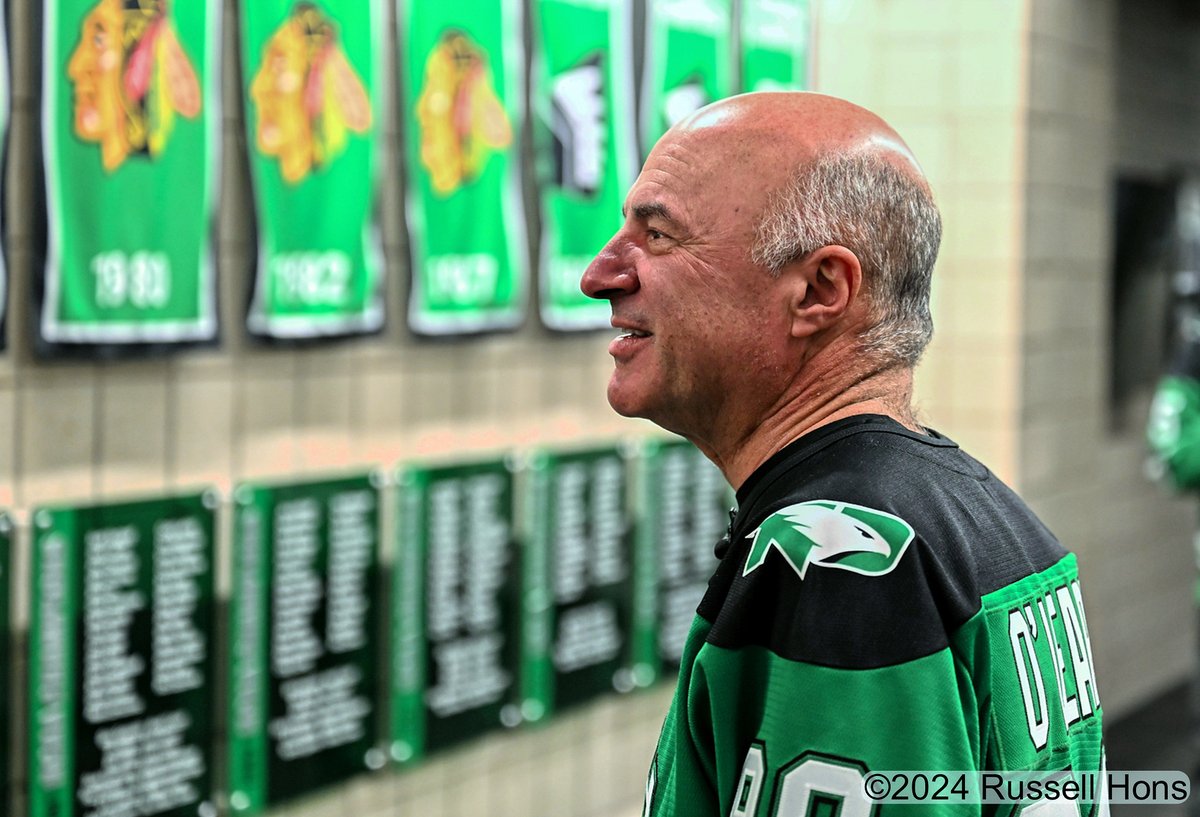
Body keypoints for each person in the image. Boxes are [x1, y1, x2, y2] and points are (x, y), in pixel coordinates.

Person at [581, 92, 1106, 816]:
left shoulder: (842, 562)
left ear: (820, 291)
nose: (601, 274)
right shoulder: (991, 521)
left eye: (659, 236)